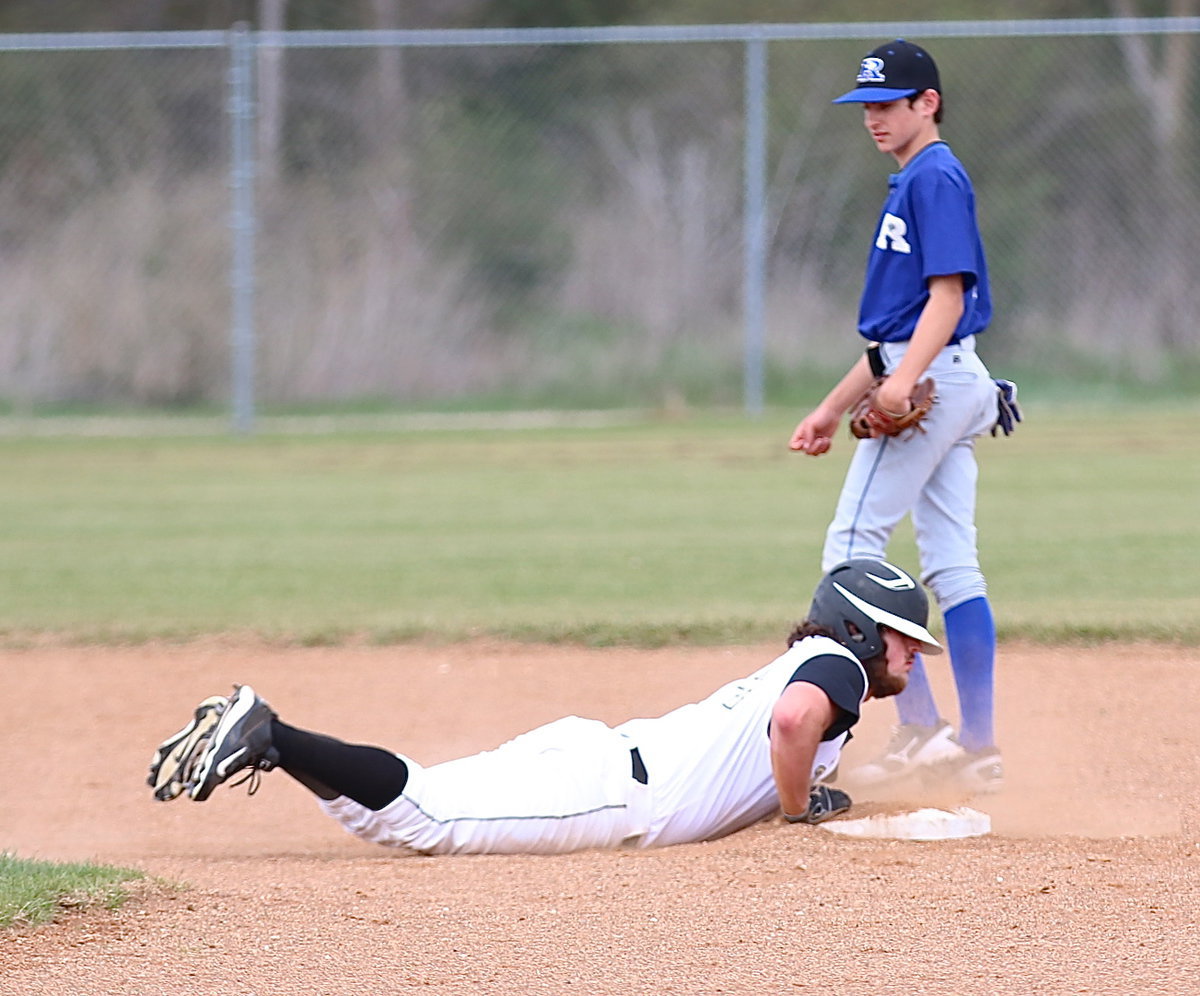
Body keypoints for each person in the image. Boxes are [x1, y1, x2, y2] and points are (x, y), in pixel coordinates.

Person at [149, 559, 947, 856]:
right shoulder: (837, 666)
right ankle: (272, 733)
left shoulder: (817, 660)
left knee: (398, 816)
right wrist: (798, 808)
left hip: (600, 760)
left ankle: (272, 742)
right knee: (422, 815)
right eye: (902, 638)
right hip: (611, 791)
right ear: (856, 630)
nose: (912, 655)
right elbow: (791, 723)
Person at [788, 40, 1007, 794]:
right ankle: (976, 748)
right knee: (952, 561)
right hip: (950, 374)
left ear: (929, 103)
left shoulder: (935, 176)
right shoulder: (916, 177)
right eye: (867, 106)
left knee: (849, 549)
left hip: (933, 378)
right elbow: (895, 331)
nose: (874, 118)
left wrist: (897, 386)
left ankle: (919, 729)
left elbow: (945, 298)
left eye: (889, 103)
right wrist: (831, 406)